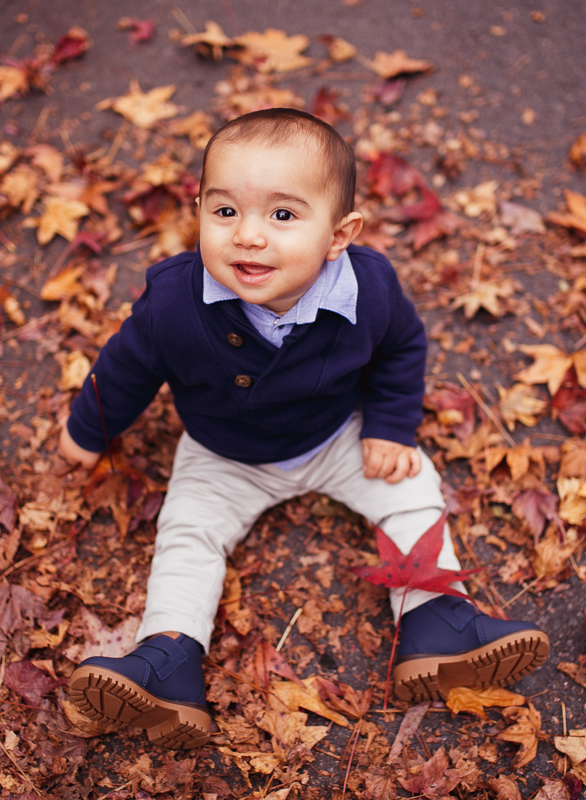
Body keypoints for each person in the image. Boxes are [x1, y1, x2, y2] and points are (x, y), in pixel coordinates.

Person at [60, 108, 548, 749]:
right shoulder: (175, 301)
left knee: (410, 487)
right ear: (198, 210)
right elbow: (125, 367)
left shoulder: (368, 288)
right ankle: (167, 658)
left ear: (339, 234)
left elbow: (401, 346)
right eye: (225, 211)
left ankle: (435, 619)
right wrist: (88, 429)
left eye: (283, 216)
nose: (248, 236)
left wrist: (391, 426)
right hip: (222, 453)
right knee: (188, 534)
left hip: (334, 435)